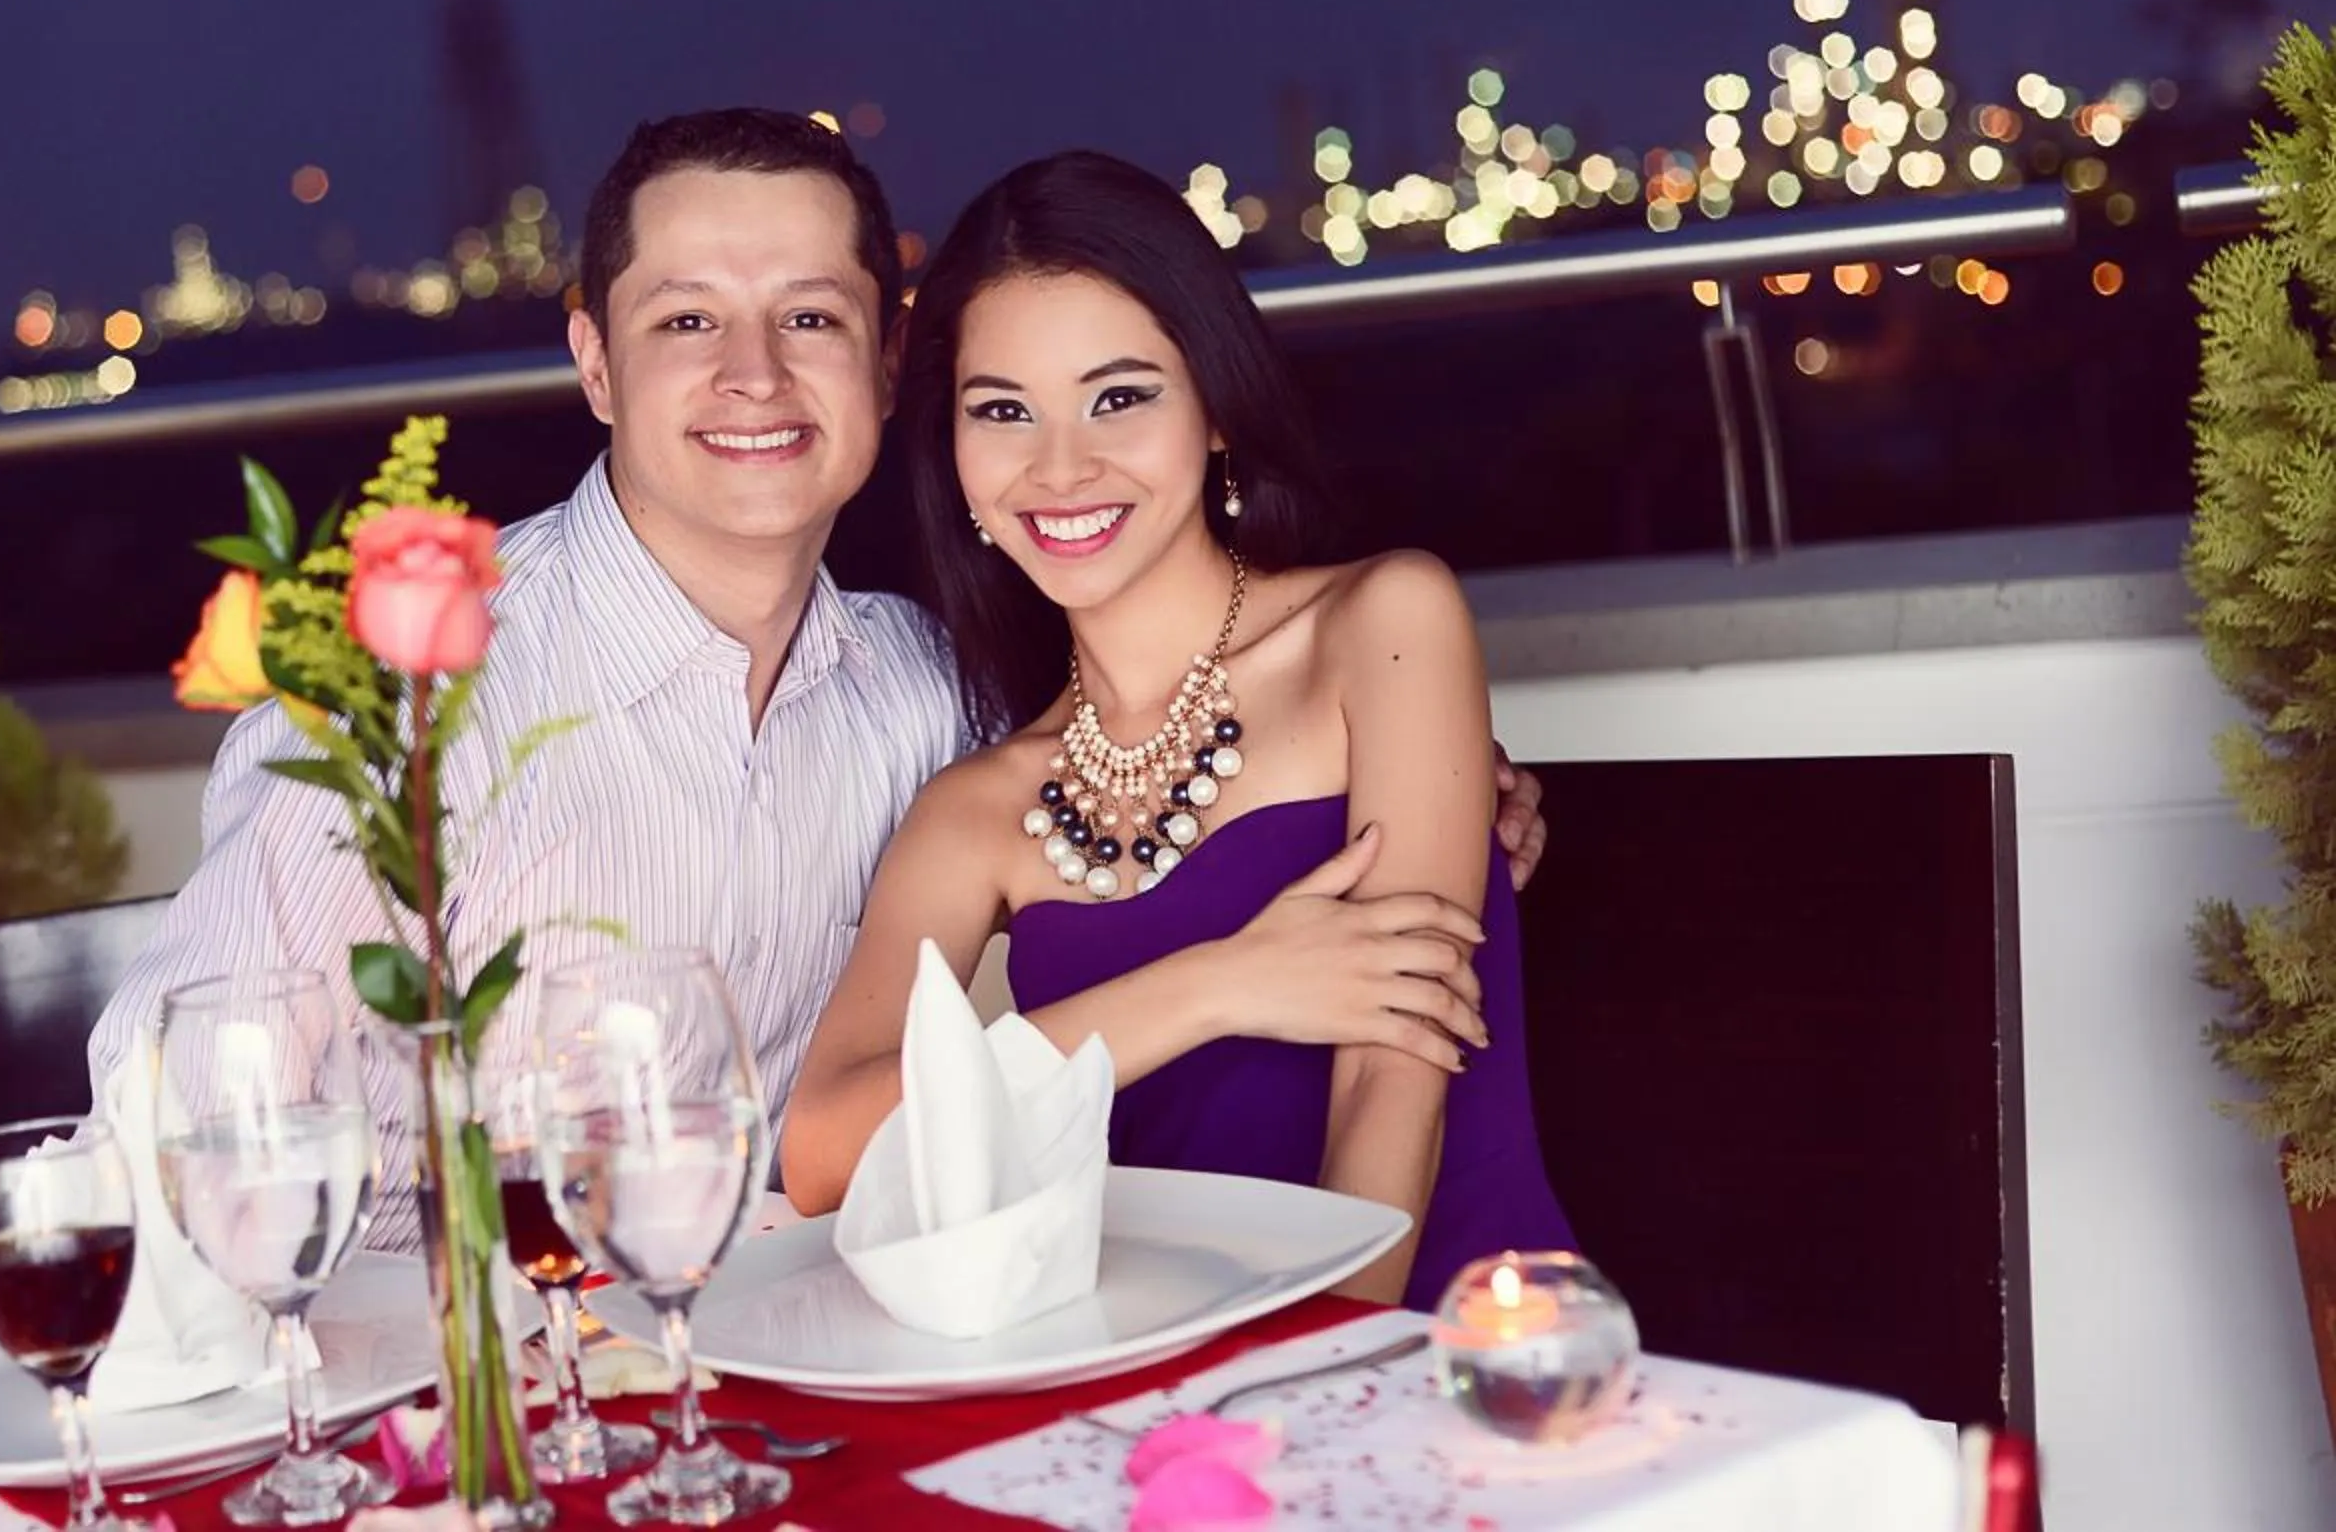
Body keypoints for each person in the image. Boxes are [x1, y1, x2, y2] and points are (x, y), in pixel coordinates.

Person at [87, 111, 1548, 1247]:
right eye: (684, 321)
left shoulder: (925, 691)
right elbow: (170, 1102)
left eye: (807, 316)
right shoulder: (410, 691)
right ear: (595, 363)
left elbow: (1170, 748)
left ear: (884, 362)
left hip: (797, 1368)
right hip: (453, 1377)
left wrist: (1444, 777)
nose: (754, 374)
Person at [779, 150, 1572, 1308]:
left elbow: (1389, 1095)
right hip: (1142, 1372)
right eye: (1004, 410)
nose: (1061, 466)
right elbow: (822, 1153)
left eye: (1120, 395)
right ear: (952, 455)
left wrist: (1310, 1395)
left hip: (1441, 1346)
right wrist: (1218, 985)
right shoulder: (982, 805)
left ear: (1213, 407)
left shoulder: (1384, 622)